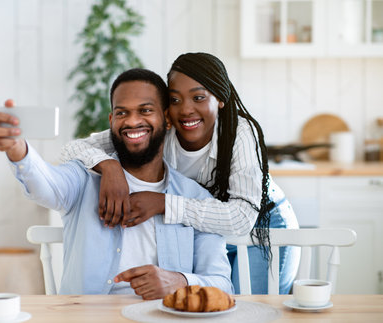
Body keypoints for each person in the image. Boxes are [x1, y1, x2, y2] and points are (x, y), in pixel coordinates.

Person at [61, 52, 300, 294]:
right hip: (205, 229)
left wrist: (164, 203)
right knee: (212, 302)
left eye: (198, 97)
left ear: (220, 99)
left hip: (260, 224)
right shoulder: (159, 128)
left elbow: (241, 219)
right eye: (175, 100)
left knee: (250, 308)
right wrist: (108, 166)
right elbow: (71, 150)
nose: (186, 110)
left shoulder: (239, 132)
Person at [0, 68, 233, 298]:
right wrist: (17, 148)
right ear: (112, 120)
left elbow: (222, 283)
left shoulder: (196, 199)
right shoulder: (84, 179)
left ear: (167, 119)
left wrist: (179, 282)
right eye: (122, 113)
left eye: (145, 110)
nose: (132, 121)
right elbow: (44, 185)